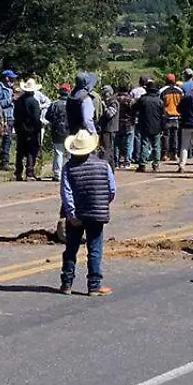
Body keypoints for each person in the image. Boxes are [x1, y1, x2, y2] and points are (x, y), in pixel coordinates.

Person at [58, 130, 116, 296]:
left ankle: (66, 284)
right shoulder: (103, 165)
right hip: (97, 213)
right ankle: (94, 285)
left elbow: (66, 193)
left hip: (76, 214)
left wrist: (71, 214)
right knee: (95, 249)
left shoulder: (69, 168)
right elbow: (111, 190)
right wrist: (101, 205)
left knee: (71, 248)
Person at [13, 78, 43, 181]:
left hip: (20, 128)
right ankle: (29, 173)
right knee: (31, 151)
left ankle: (18, 172)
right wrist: (38, 128)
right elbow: (36, 117)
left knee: (20, 152)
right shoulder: (34, 102)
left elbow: (15, 115)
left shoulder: (18, 101)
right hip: (31, 130)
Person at [134, 80, 164, 173]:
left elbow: (135, 108)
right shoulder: (159, 101)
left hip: (145, 125)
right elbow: (163, 114)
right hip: (157, 126)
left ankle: (142, 164)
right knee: (156, 146)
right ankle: (156, 165)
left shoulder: (143, 99)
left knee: (144, 145)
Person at [47, 85, 72, 180]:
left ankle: (58, 174)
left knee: (58, 152)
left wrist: (54, 122)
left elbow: (47, 116)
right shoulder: (72, 104)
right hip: (70, 131)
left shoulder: (55, 104)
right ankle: (70, 173)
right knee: (70, 153)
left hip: (57, 131)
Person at [0, 70, 16, 170]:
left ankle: (4, 160)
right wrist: (11, 100)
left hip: (11, 117)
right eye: (11, 78)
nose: (13, 81)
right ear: (6, 78)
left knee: (8, 141)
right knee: (3, 140)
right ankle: (2, 162)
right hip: (3, 118)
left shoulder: (10, 89)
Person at [158, 74, 183, 161]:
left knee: (166, 136)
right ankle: (175, 154)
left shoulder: (162, 91)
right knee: (175, 136)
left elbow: (160, 104)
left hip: (166, 116)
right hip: (177, 116)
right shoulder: (179, 90)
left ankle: (165, 154)